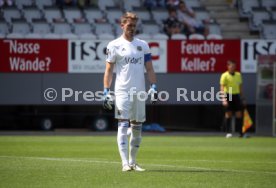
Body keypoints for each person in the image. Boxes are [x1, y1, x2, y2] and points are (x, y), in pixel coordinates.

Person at [103, 12, 157, 172]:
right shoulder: (113, 45)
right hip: (122, 91)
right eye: (129, 25)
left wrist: (153, 86)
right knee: (122, 124)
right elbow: (108, 70)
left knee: (137, 127)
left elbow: (149, 68)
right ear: (122, 25)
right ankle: (124, 163)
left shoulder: (143, 45)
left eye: (134, 26)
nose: (132, 28)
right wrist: (106, 91)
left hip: (139, 92)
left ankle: (133, 162)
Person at [220, 60, 245, 138]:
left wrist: (242, 98)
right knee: (228, 114)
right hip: (229, 94)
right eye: (231, 66)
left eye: (234, 66)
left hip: (236, 95)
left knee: (239, 114)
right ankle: (228, 132)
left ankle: (240, 133)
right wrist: (224, 99)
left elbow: (240, 87)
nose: (233, 67)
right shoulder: (224, 75)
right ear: (228, 66)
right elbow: (222, 88)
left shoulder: (238, 75)